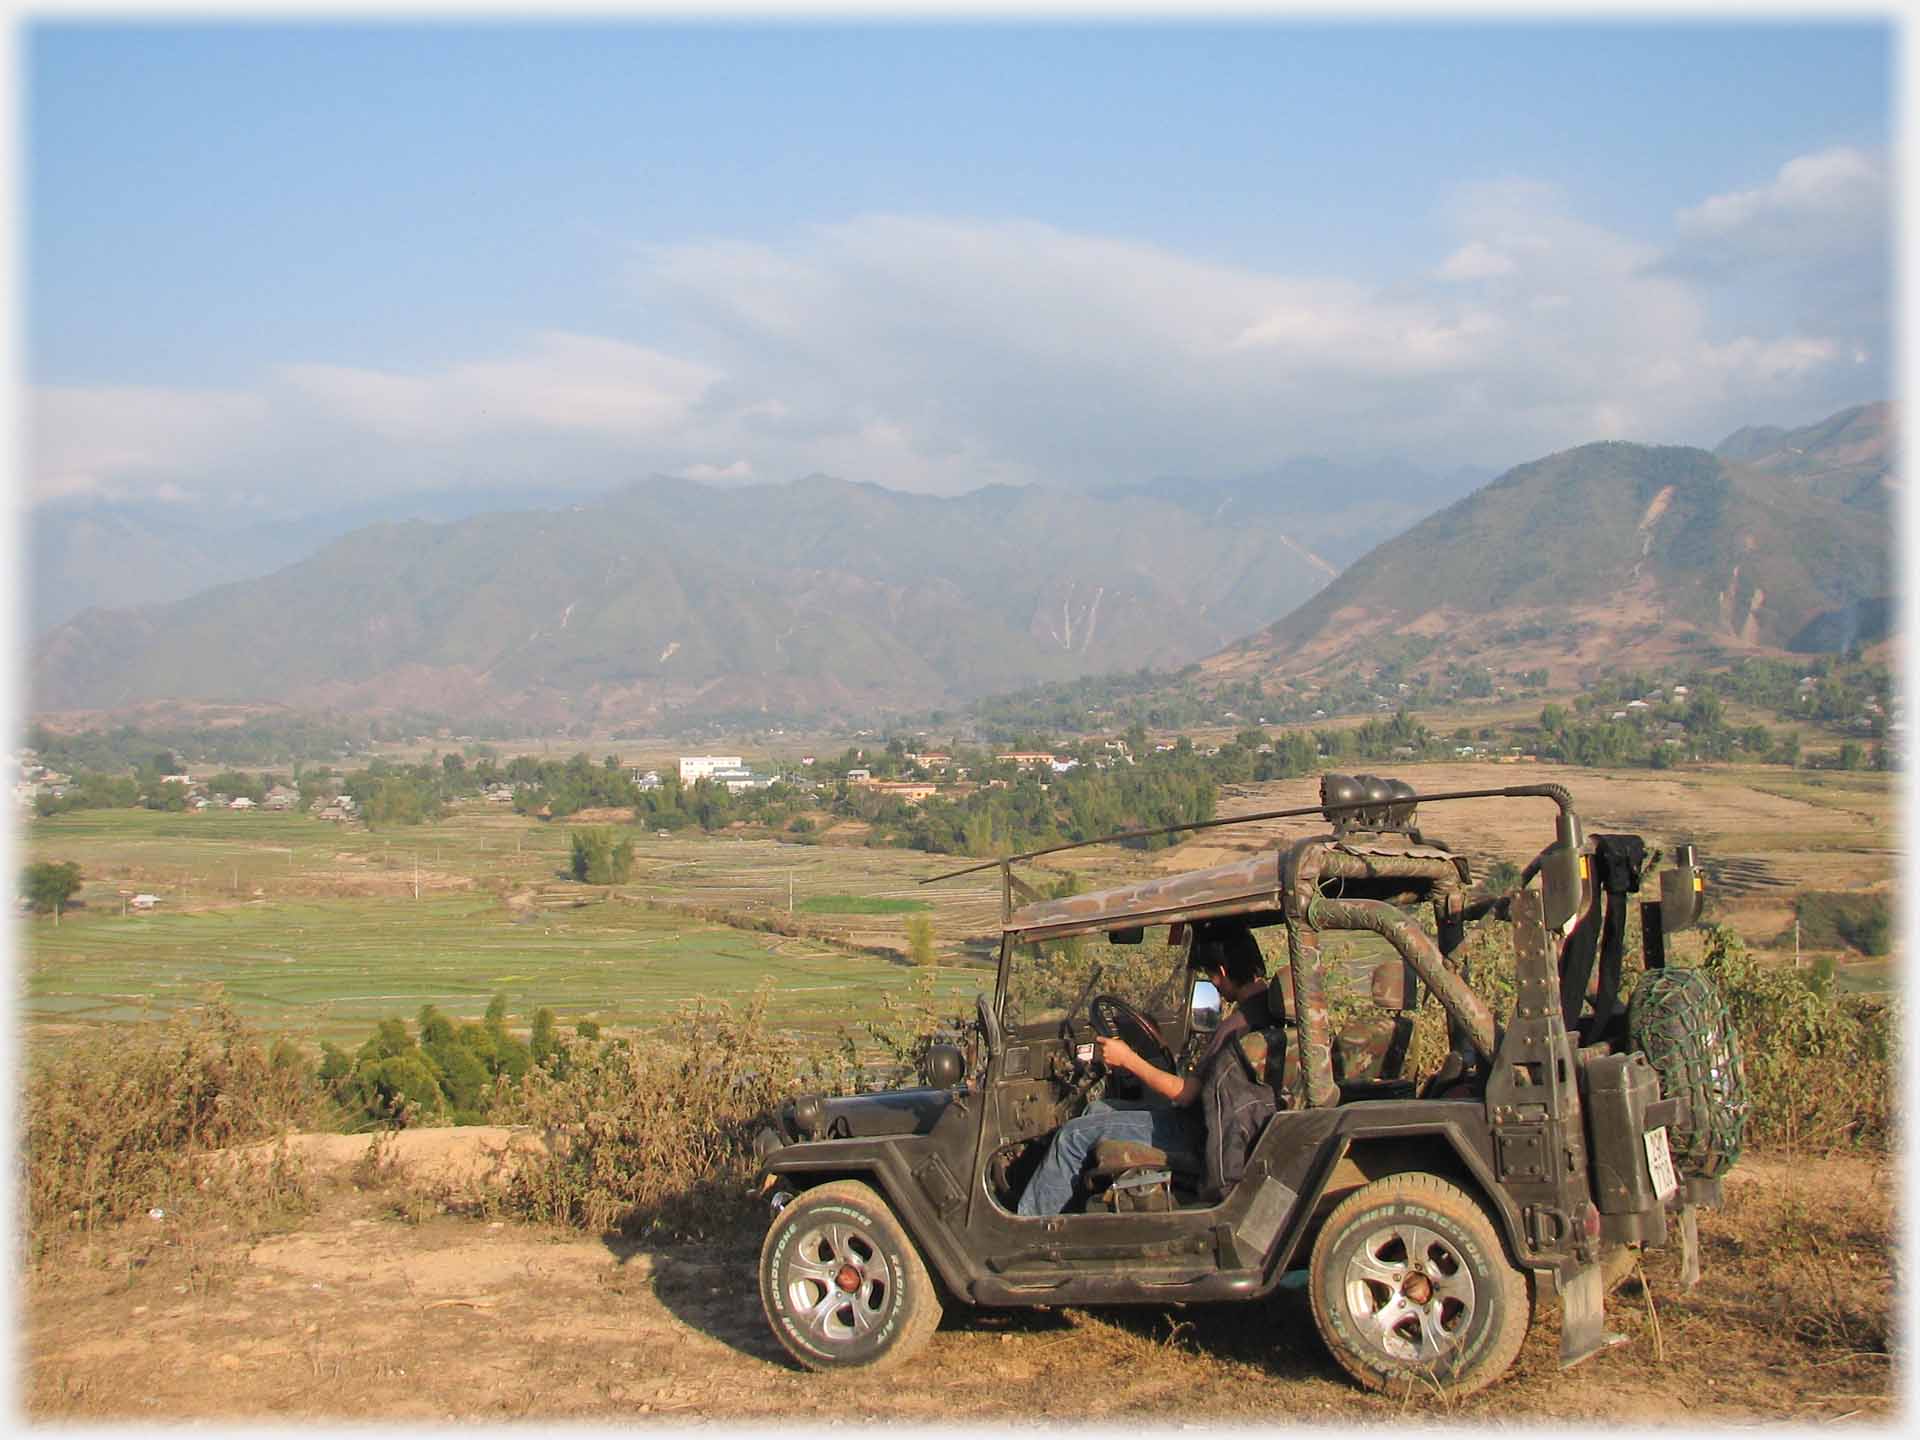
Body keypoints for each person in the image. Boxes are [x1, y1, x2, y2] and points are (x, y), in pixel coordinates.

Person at [1015, 923, 1278, 1216]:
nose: (1215, 985)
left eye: (1212, 977)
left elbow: (1185, 1094)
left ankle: (1029, 1231)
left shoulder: (1235, 1026)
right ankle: (1078, 1219)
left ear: (1223, 972)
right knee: (1096, 1111)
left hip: (1194, 1132)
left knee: (1072, 1136)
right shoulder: (1264, 1013)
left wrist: (1128, 1059)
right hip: (1216, 1126)